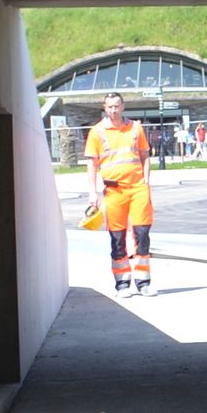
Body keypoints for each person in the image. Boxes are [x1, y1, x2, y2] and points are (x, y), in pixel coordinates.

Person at [84, 89, 155, 295]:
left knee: (142, 234)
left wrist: (146, 181)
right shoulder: (97, 132)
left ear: (123, 106)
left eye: (117, 106)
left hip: (137, 188)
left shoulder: (135, 128)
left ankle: (144, 282)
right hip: (114, 191)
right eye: (110, 107)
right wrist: (92, 193)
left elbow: (145, 155)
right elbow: (92, 164)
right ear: (104, 108)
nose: (114, 110)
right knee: (117, 237)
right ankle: (122, 283)